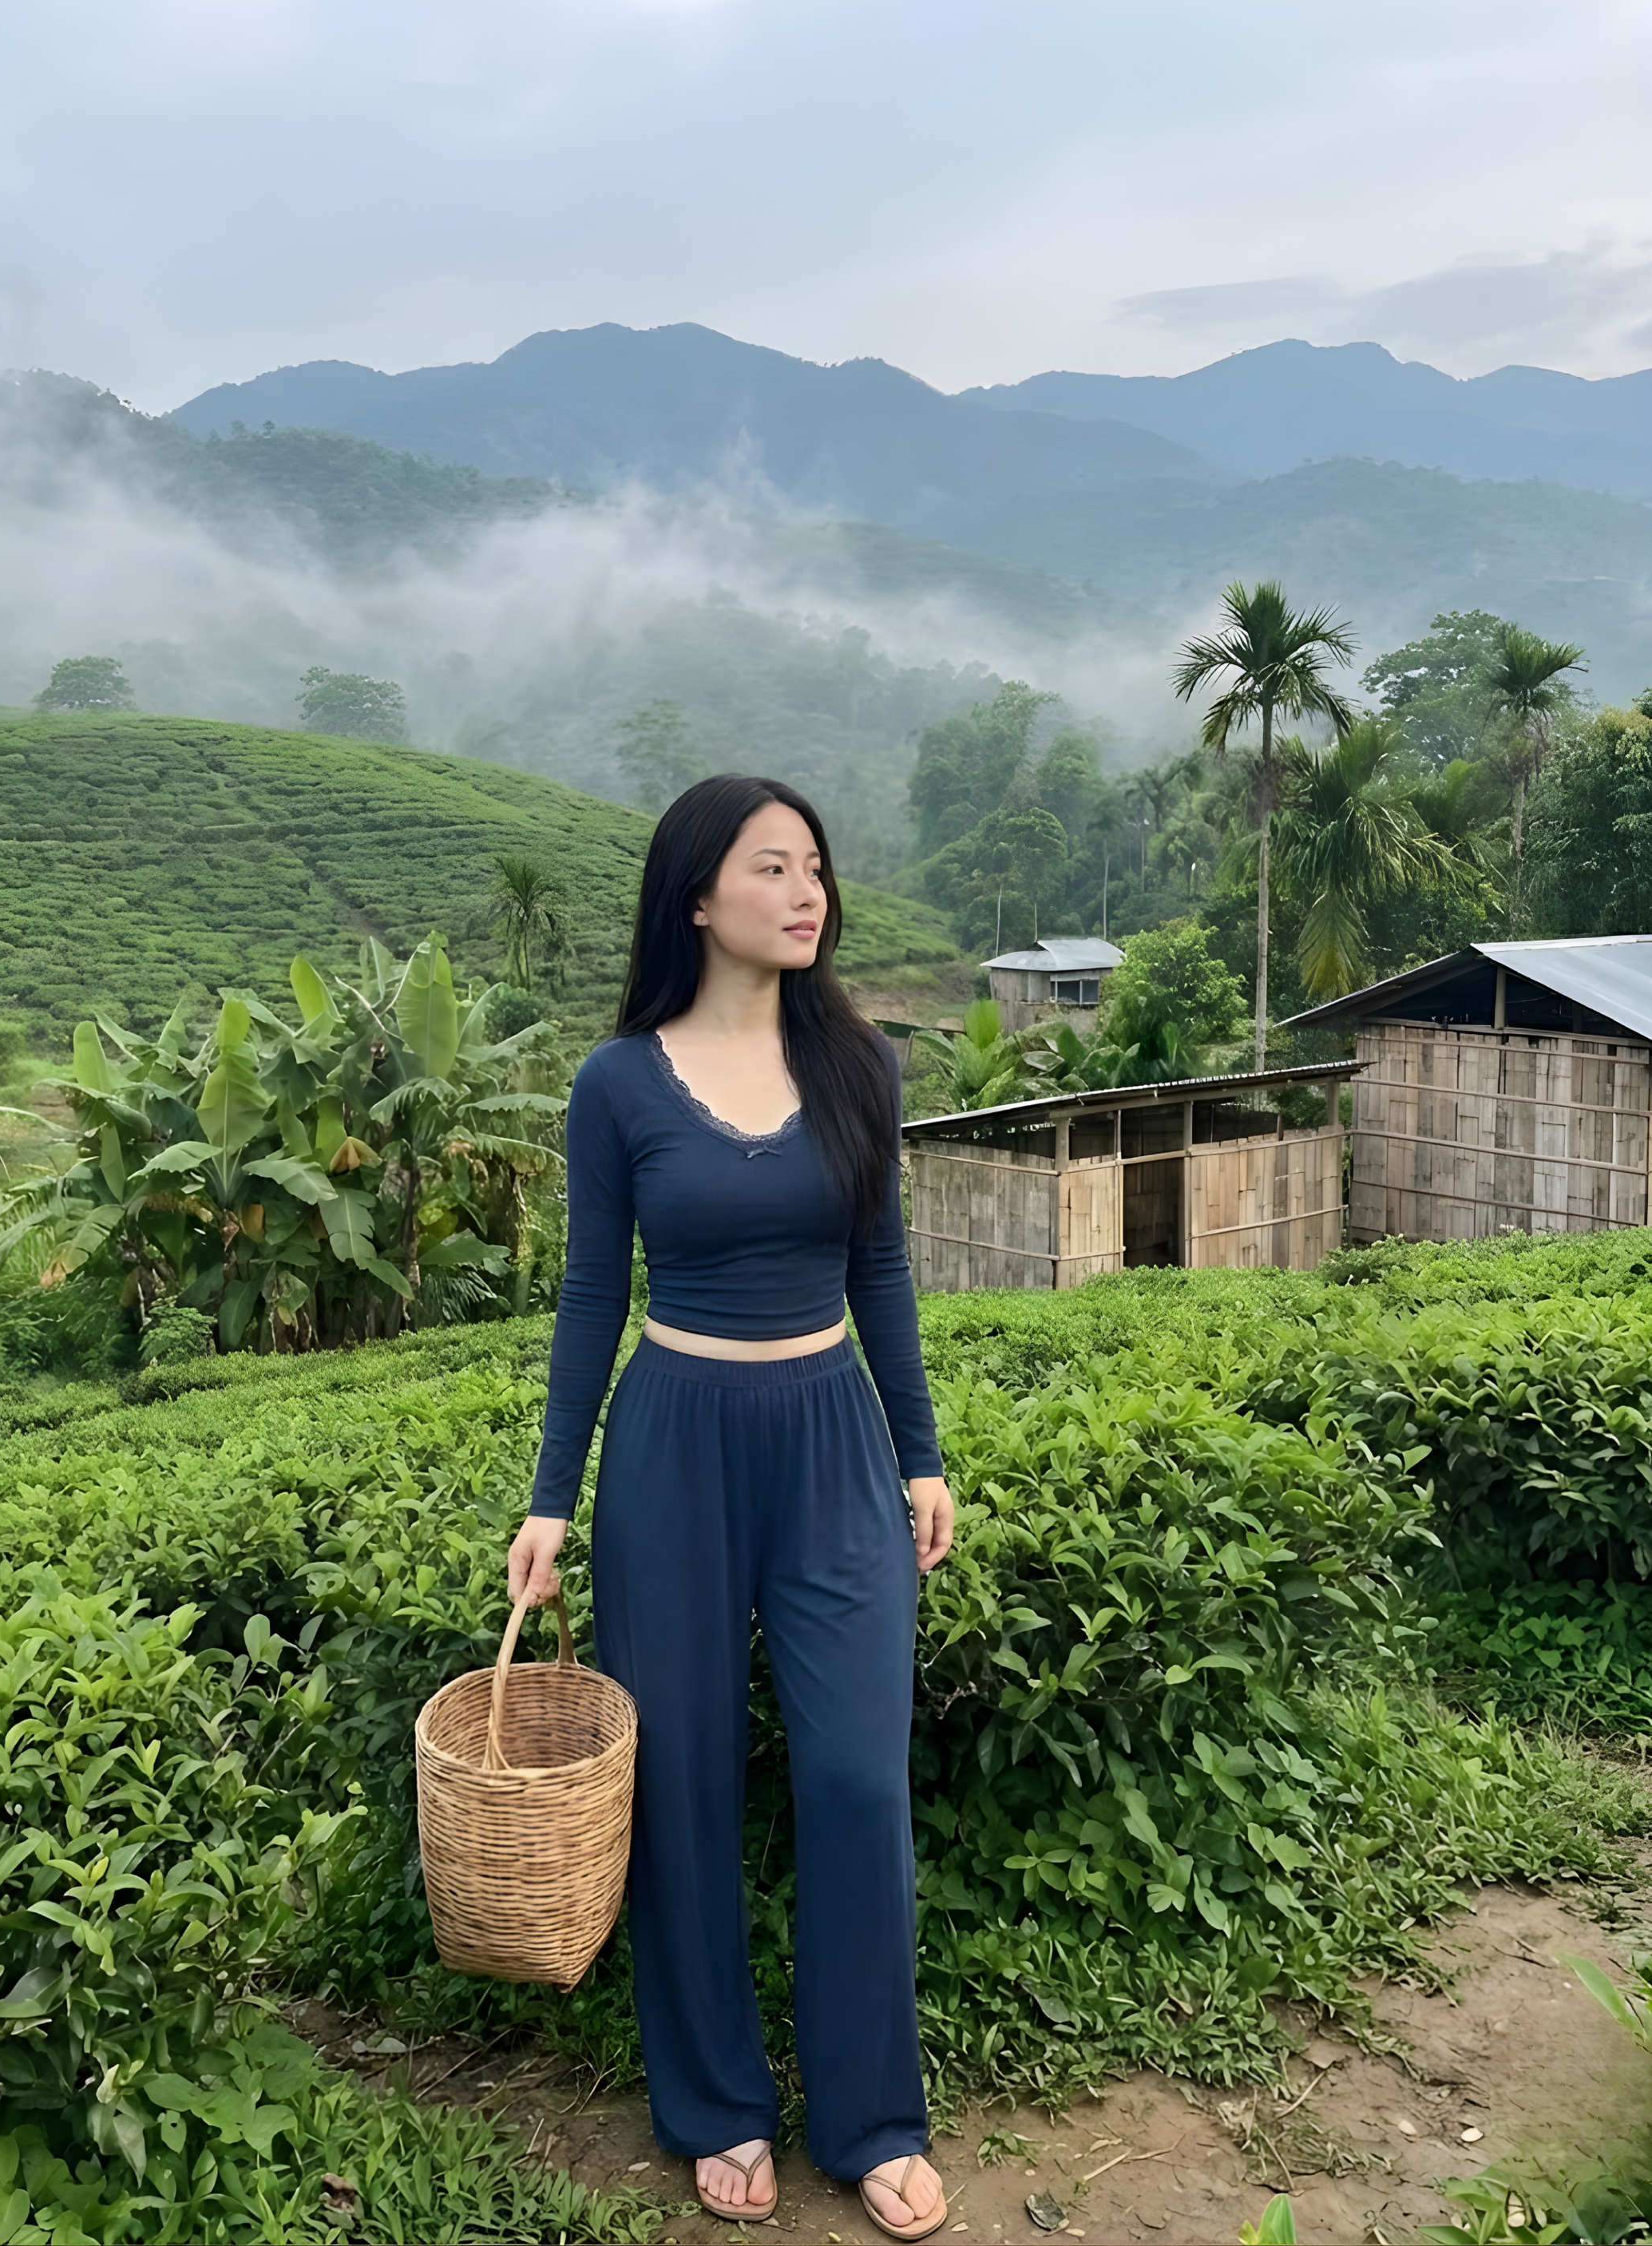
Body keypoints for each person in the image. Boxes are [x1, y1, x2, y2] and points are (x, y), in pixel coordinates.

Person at [507, 774, 956, 2240]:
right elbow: (589, 1296)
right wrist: (549, 1502)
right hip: (673, 1442)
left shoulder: (861, 1066)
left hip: (829, 1437)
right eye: (773, 866)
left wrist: (919, 1454)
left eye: (817, 865)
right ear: (697, 896)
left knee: (850, 1780)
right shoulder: (617, 1083)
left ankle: (873, 2116)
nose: (807, 889)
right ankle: (713, 2105)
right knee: (684, 1783)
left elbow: (878, 1274)